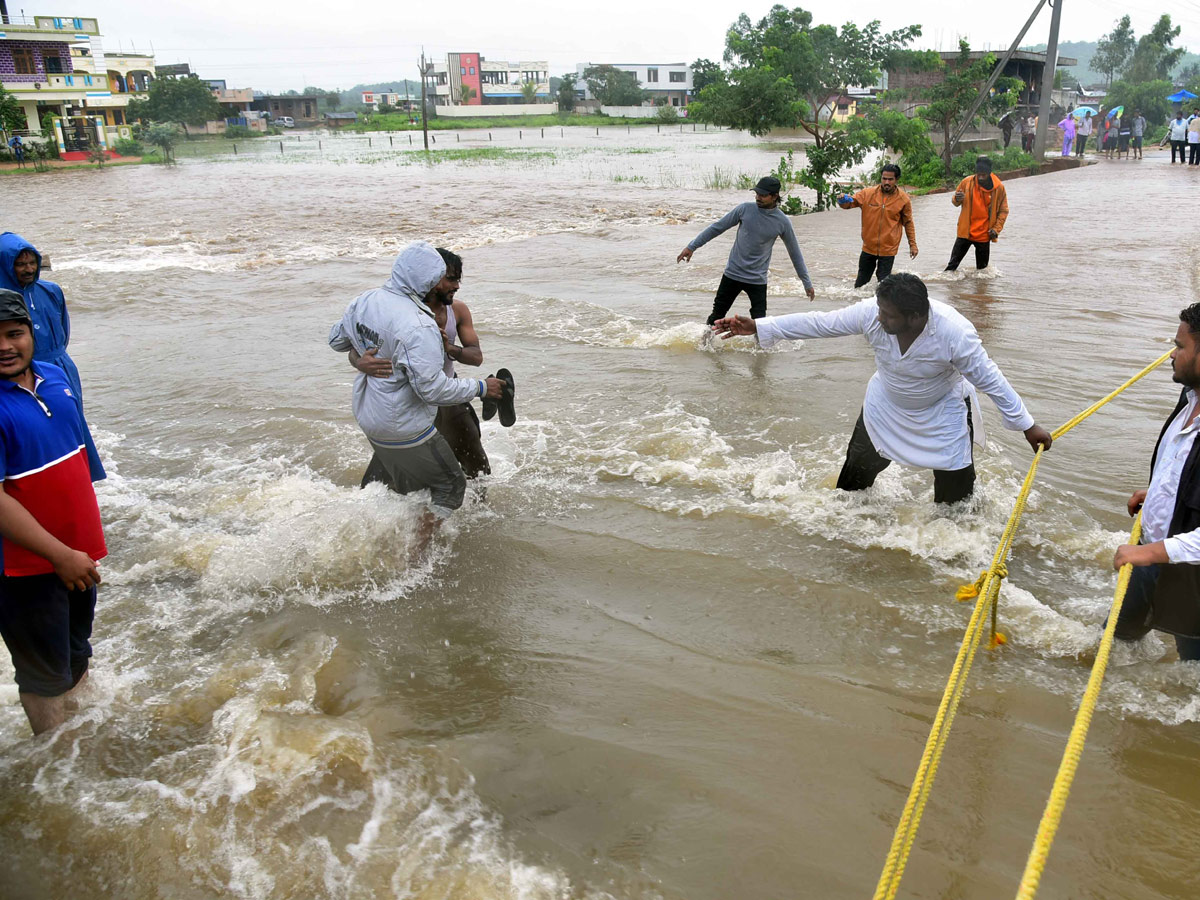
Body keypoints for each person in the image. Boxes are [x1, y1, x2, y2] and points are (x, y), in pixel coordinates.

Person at [711, 273, 1052, 504]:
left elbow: (989, 378)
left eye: (889, 315)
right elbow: (820, 323)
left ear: (917, 316)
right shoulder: (872, 315)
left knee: (955, 499)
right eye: (880, 311)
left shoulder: (954, 334)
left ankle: (956, 547)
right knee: (852, 487)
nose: (880, 319)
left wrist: (1027, 425)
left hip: (941, 410)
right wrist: (758, 326)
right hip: (884, 408)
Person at [328, 241, 503, 556]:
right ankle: (412, 558)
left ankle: (380, 535)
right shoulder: (417, 322)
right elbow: (431, 390)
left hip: (375, 415)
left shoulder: (365, 300)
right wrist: (481, 388)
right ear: (429, 280)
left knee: (463, 467)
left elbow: (337, 339)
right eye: (445, 277)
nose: (451, 284)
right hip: (410, 417)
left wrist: (360, 360)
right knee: (448, 486)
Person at [0, 289, 106, 735]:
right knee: (43, 676)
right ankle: (54, 760)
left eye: (14, 333)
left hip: (76, 557)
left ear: (31, 333)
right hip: (23, 569)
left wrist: (82, 545)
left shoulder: (54, 379)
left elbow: (80, 458)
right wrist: (58, 554)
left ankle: (81, 744)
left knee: (76, 650)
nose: (5, 346)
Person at [349, 247, 492, 480]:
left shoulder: (457, 310)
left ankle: (479, 515)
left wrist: (449, 349)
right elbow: (353, 346)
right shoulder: (401, 313)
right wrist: (359, 362)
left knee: (477, 467)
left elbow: (476, 357)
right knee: (383, 477)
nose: (457, 285)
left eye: (458, 279)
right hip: (408, 399)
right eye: (451, 279)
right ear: (431, 278)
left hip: (447, 391)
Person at [1111, 303, 1200, 660]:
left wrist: (1147, 553)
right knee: (1114, 642)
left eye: (1180, 346)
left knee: (1193, 674)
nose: (1171, 355)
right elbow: (1185, 460)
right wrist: (1164, 492)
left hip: (1187, 575)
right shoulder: (1190, 397)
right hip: (1155, 554)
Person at [0, 233, 105, 481]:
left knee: (70, 426)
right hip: (18, 374)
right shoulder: (2, 300)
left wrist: (57, 360)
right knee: (30, 433)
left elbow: (63, 328)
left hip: (60, 368)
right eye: (20, 263)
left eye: (32, 262)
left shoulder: (51, 291)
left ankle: (78, 479)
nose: (28, 269)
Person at [677, 175, 815, 325]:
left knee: (760, 323)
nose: (758, 197)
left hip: (757, 279)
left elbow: (795, 254)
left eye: (762, 195)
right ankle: (704, 346)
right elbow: (717, 228)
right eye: (756, 193)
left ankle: (761, 349)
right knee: (716, 316)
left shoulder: (782, 222)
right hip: (732, 274)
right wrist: (692, 246)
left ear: (775, 196)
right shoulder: (744, 209)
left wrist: (806, 283)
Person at [835, 164, 918, 288]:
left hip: (888, 250)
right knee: (860, 285)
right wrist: (842, 201)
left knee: (884, 286)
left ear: (897, 180)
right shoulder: (868, 194)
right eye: (884, 178)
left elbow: (908, 222)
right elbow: (850, 203)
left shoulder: (903, 199)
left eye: (890, 179)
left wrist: (913, 244)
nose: (886, 182)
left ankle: (880, 307)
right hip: (868, 247)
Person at [944, 157, 1008, 273]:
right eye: (978, 175)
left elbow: (1003, 211)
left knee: (982, 274)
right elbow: (955, 202)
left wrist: (996, 229)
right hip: (965, 233)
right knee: (950, 269)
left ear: (989, 173)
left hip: (984, 236)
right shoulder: (966, 182)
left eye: (983, 175)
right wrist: (957, 198)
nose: (980, 178)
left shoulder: (999, 188)